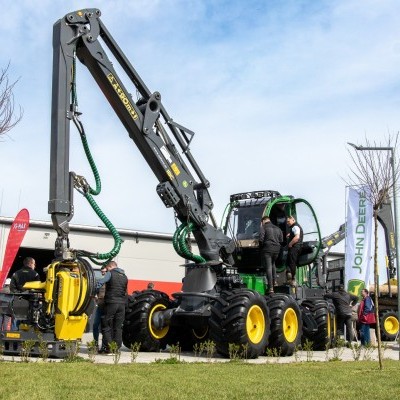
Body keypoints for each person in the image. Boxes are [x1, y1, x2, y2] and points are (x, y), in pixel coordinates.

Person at [97, 260, 128, 354]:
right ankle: (117, 348)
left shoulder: (110, 273)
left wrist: (95, 291)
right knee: (118, 327)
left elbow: (100, 283)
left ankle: (109, 347)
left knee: (105, 324)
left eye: (107, 269)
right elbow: (125, 291)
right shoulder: (125, 276)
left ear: (110, 267)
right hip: (122, 304)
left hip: (111, 303)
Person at [259, 216, 283, 293]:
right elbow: (281, 240)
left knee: (268, 267)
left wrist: (261, 247)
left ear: (263, 221)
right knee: (273, 264)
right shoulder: (277, 228)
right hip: (276, 249)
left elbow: (261, 239)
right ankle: (275, 281)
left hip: (268, 249)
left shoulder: (263, 227)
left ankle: (270, 287)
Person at [93, 266, 107, 350]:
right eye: (101, 272)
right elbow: (95, 292)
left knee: (105, 327)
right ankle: (95, 344)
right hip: (100, 306)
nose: (102, 273)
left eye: (104, 272)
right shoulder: (99, 282)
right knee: (95, 325)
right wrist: (96, 298)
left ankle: (104, 345)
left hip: (108, 307)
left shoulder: (110, 281)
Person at [286, 216, 303, 286]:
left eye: (288, 221)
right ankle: (290, 277)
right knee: (290, 262)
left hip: (295, 247)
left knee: (292, 263)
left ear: (293, 219)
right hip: (296, 247)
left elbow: (297, 237)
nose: (287, 223)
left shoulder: (295, 227)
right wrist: (290, 235)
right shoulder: (294, 227)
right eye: (287, 222)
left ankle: (293, 279)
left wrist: (290, 243)